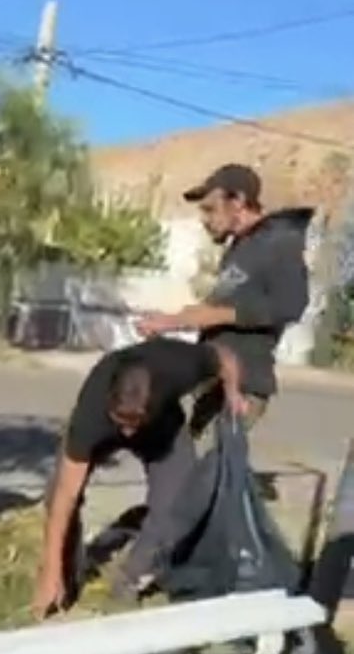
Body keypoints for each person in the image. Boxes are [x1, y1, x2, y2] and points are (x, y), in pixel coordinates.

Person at [32, 335, 244, 618]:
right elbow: (65, 494)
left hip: (161, 428)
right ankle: (65, 581)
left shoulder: (178, 364)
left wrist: (233, 395)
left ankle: (130, 580)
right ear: (110, 402)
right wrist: (51, 570)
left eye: (134, 423)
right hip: (104, 426)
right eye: (122, 423)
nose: (128, 433)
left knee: (177, 504)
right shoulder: (91, 413)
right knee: (56, 496)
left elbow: (226, 359)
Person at [134, 163, 311, 432]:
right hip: (212, 381)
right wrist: (172, 320)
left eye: (210, 209)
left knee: (207, 470)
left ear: (238, 201)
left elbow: (291, 305)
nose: (204, 219)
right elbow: (220, 306)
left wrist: (213, 315)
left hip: (244, 384)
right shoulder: (239, 248)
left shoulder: (280, 241)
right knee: (186, 465)